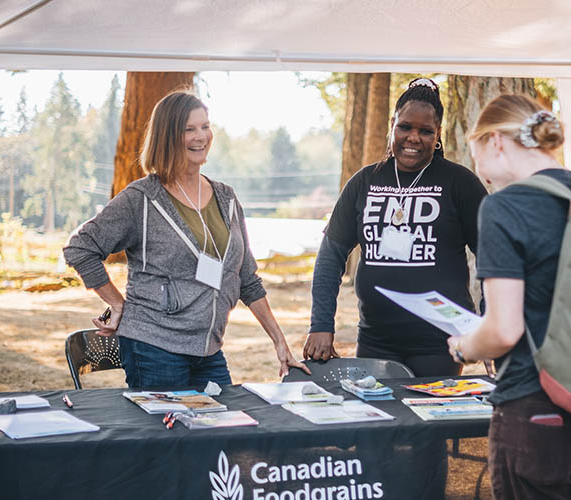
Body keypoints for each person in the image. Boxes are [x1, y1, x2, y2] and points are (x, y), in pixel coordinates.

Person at [63, 90, 309, 388]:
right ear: (167, 137)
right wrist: (117, 304)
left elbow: (247, 278)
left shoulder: (226, 198)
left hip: (208, 350)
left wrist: (279, 342)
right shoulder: (141, 199)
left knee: (220, 429)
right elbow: (80, 248)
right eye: (189, 129)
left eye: (205, 126)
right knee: (170, 434)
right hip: (154, 347)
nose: (201, 136)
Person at [447, 94, 571, 500]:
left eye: (477, 157)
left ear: (495, 142)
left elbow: (504, 330)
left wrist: (463, 346)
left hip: (536, 407)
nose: (481, 174)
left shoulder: (504, 208)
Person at [305, 77, 488, 376]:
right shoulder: (364, 181)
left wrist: (488, 324)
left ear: (438, 133)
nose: (414, 137)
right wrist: (321, 324)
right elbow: (330, 256)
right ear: (392, 124)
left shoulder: (460, 183)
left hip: (440, 345)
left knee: (430, 422)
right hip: (375, 341)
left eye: (425, 131)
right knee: (376, 422)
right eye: (405, 127)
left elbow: (493, 255)